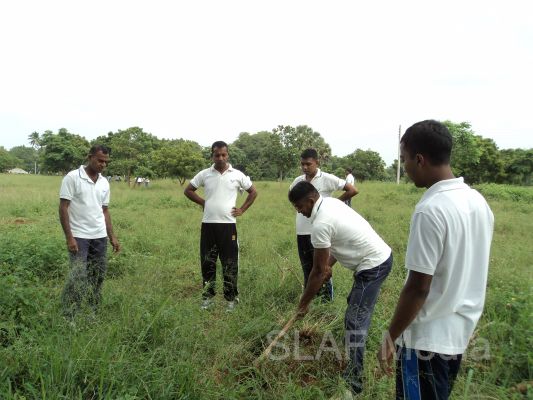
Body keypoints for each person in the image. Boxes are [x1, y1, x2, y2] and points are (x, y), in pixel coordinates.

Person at [377, 120, 494, 400]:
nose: (404, 167)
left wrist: (391, 337)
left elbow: (419, 287)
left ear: (419, 159)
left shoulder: (430, 210)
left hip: (425, 341)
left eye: (404, 160)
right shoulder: (478, 202)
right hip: (458, 336)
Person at [289, 181, 392, 397]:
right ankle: (353, 359)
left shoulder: (320, 224)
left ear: (310, 201)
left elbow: (317, 272)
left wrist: (303, 304)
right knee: (354, 309)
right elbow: (338, 244)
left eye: (299, 206)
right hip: (377, 259)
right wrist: (328, 266)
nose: (298, 211)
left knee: (354, 321)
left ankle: (354, 384)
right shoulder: (331, 203)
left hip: (373, 265)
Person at [184, 141, 258, 312]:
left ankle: (231, 299)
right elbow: (188, 190)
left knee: (229, 263)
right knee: (208, 261)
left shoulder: (237, 175)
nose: (220, 158)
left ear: (228, 155)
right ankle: (207, 298)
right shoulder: (204, 174)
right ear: (212, 156)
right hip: (208, 225)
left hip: (228, 226)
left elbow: (253, 192)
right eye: (217, 155)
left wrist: (242, 209)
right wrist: (204, 202)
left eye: (223, 154)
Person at [59, 145, 121, 319]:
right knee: (77, 276)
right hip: (79, 236)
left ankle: (93, 312)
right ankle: (70, 315)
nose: (103, 165)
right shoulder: (72, 177)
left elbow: (105, 210)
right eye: (100, 160)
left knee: (98, 276)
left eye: (106, 162)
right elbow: (63, 208)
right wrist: (69, 237)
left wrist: (112, 236)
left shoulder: (104, 182)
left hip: (99, 237)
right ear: (90, 157)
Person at [289, 148, 358, 301]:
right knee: (307, 268)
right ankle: (311, 300)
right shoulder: (298, 181)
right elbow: (292, 198)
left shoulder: (327, 178)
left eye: (308, 164)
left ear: (317, 162)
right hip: (302, 231)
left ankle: (326, 302)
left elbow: (352, 190)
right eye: (302, 164)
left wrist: (333, 204)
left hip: (321, 231)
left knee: (322, 268)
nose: (305, 167)